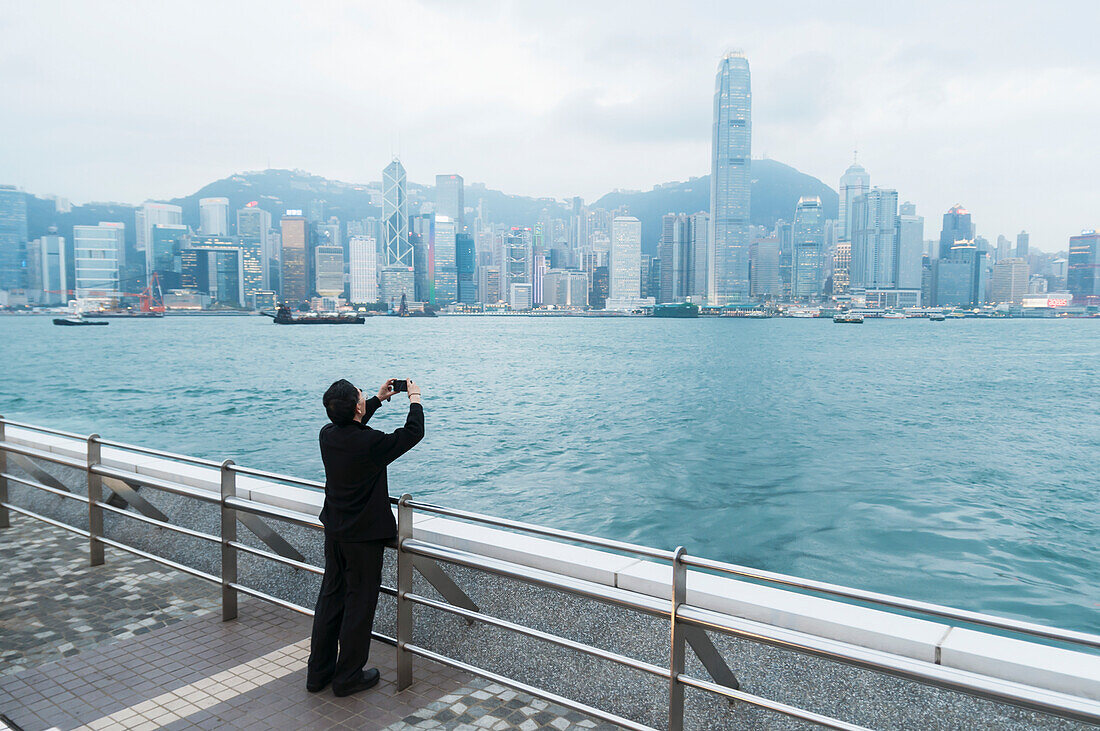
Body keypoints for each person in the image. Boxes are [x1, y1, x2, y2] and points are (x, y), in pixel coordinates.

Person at [306, 377, 424, 697]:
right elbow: (412, 433)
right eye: (361, 394)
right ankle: (348, 677)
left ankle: (318, 674)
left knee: (330, 600)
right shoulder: (370, 443)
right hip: (364, 540)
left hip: (335, 532)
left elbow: (351, 428)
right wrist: (413, 398)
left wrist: (377, 399)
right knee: (359, 605)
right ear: (357, 407)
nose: (363, 395)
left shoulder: (328, 435)